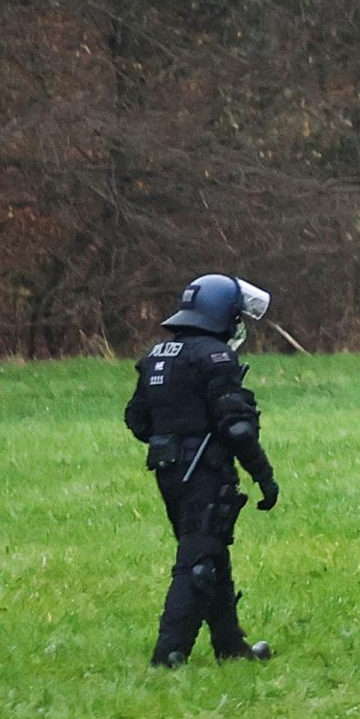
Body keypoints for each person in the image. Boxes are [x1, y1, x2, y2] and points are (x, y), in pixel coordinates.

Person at [126, 274, 281, 667]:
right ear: (222, 314)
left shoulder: (158, 355)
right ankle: (169, 654)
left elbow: (138, 420)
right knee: (196, 560)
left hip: (168, 469)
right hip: (204, 471)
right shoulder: (215, 356)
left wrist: (177, 430)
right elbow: (237, 427)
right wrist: (263, 475)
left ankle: (231, 647)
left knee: (211, 551)